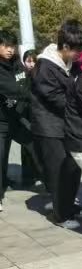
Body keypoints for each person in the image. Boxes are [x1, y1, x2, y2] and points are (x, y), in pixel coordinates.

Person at [30, 19, 82, 227]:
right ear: (64, 46)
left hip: (67, 124)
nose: (80, 55)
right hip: (49, 127)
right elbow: (55, 98)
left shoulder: (71, 64)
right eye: (77, 50)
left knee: (73, 167)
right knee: (58, 171)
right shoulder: (45, 66)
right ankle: (60, 215)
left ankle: (68, 206)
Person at [0, 31, 33, 210]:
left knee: (34, 145)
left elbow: (25, 81)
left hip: (17, 116)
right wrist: (33, 95)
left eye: (12, 46)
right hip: (1, 121)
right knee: (1, 155)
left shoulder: (16, 63)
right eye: (5, 46)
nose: (9, 50)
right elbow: (13, 88)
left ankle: (51, 188)